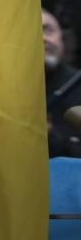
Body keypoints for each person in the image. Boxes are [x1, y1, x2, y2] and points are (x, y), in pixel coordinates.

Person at [44, 10, 81, 159]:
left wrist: (50, 134)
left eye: (48, 30)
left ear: (61, 37)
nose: (42, 38)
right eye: (32, 31)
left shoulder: (76, 86)